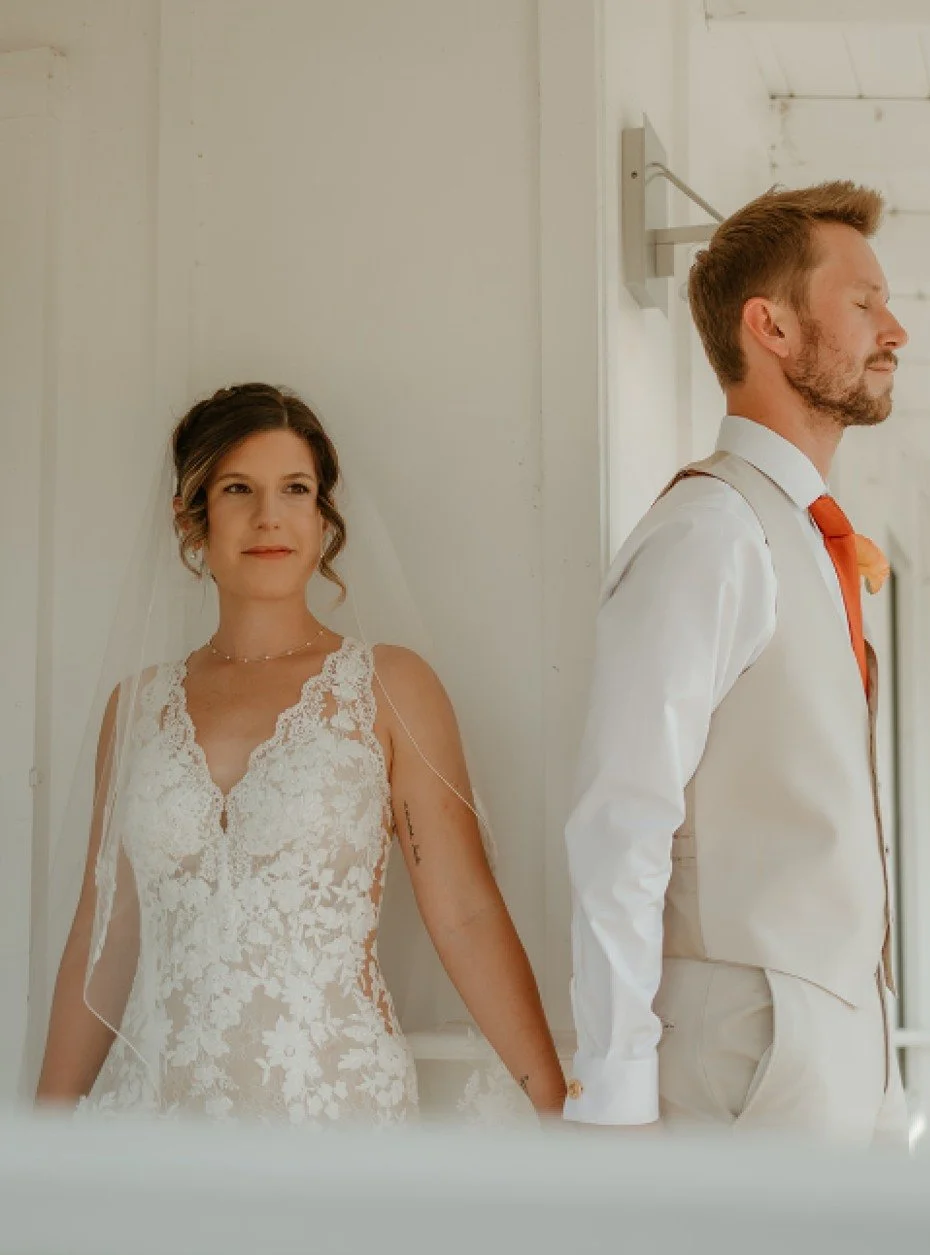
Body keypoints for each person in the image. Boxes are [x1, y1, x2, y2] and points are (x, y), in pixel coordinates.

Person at [36, 383, 565, 1125]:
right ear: (193, 519)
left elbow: (465, 913)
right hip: (152, 1117)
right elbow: (106, 934)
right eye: (237, 489)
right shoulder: (138, 707)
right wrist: (43, 1137)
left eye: (295, 489)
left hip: (333, 1108)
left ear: (323, 518)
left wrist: (554, 1110)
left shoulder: (388, 687)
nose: (268, 516)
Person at [564, 183, 909, 1146]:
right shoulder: (711, 531)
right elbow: (619, 820)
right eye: (865, 303)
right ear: (772, 328)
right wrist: (618, 1099)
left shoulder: (798, 536)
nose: (897, 331)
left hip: (842, 1051)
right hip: (750, 1060)